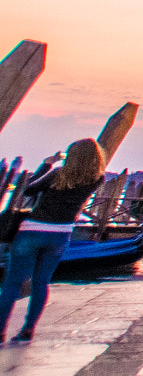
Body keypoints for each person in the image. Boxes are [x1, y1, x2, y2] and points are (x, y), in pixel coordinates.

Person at [3, 138, 106, 342]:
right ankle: (28, 329)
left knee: (13, 283)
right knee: (41, 283)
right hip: (60, 235)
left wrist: (47, 164)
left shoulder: (57, 174)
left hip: (32, 230)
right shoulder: (97, 179)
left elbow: (28, 189)